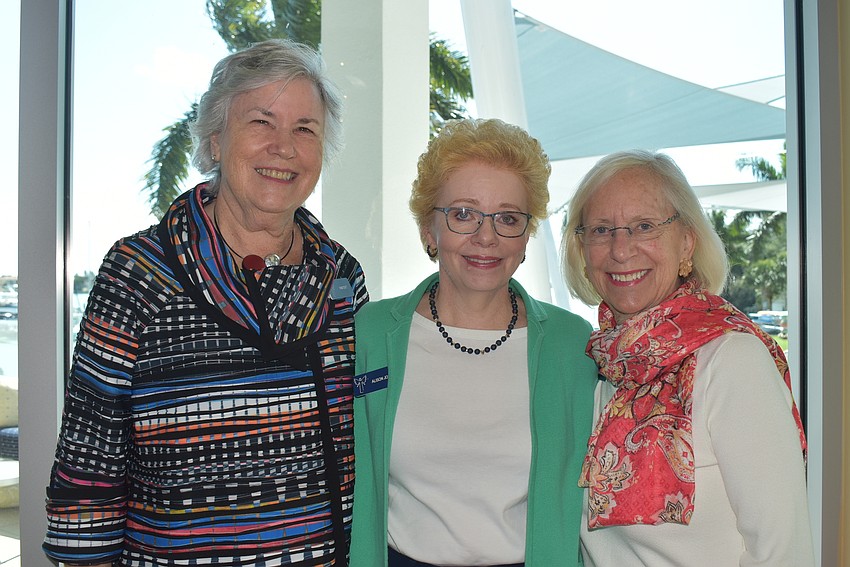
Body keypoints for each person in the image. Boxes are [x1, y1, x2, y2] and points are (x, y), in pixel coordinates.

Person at [43, 39, 368, 566]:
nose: (284, 147)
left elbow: (367, 442)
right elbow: (88, 466)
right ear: (216, 140)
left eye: (305, 129)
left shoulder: (341, 279)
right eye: (262, 122)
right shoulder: (140, 273)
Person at [349, 118, 598, 567]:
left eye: (507, 218)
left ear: (525, 237)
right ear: (430, 229)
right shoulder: (369, 333)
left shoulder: (573, 344)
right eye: (463, 213)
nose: (486, 237)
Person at [561, 149, 813, 566]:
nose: (621, 250)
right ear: (583, 251)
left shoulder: (732, 360)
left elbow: (784, 553)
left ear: (687, 243)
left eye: (644, 226)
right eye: (602, 229)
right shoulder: (597, 364)